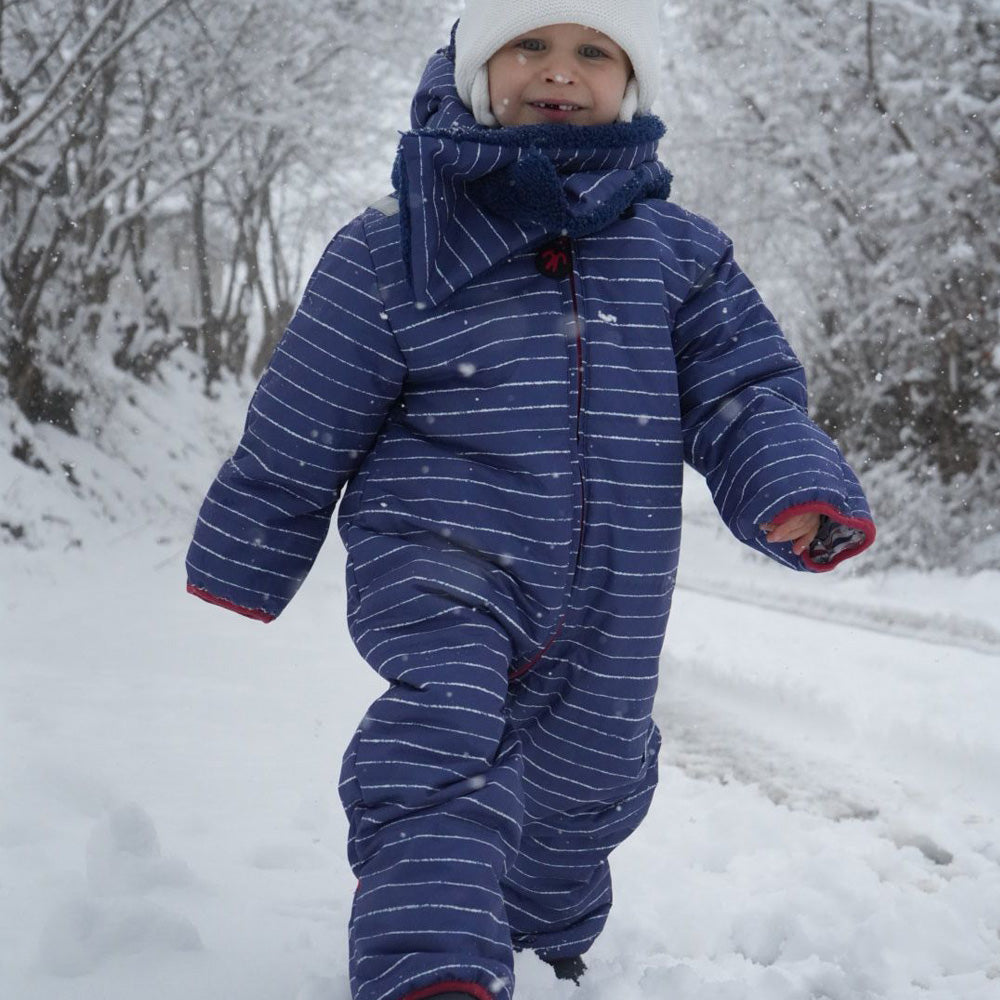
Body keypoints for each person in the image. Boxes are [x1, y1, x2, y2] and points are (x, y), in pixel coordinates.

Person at [184, 2, 876, 999]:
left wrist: (790, 483)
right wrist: (249, 544)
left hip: (617, 580)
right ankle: (430, 965)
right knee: (442, 742)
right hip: (440, 556)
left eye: (594, 51)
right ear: (477, 70)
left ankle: (549, 929)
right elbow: (308, 410)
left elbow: (742, 391)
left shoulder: (680, 255)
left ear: (629, 83)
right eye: (529, 45)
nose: (560, 71)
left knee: (589, 779)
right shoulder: (395, 246)